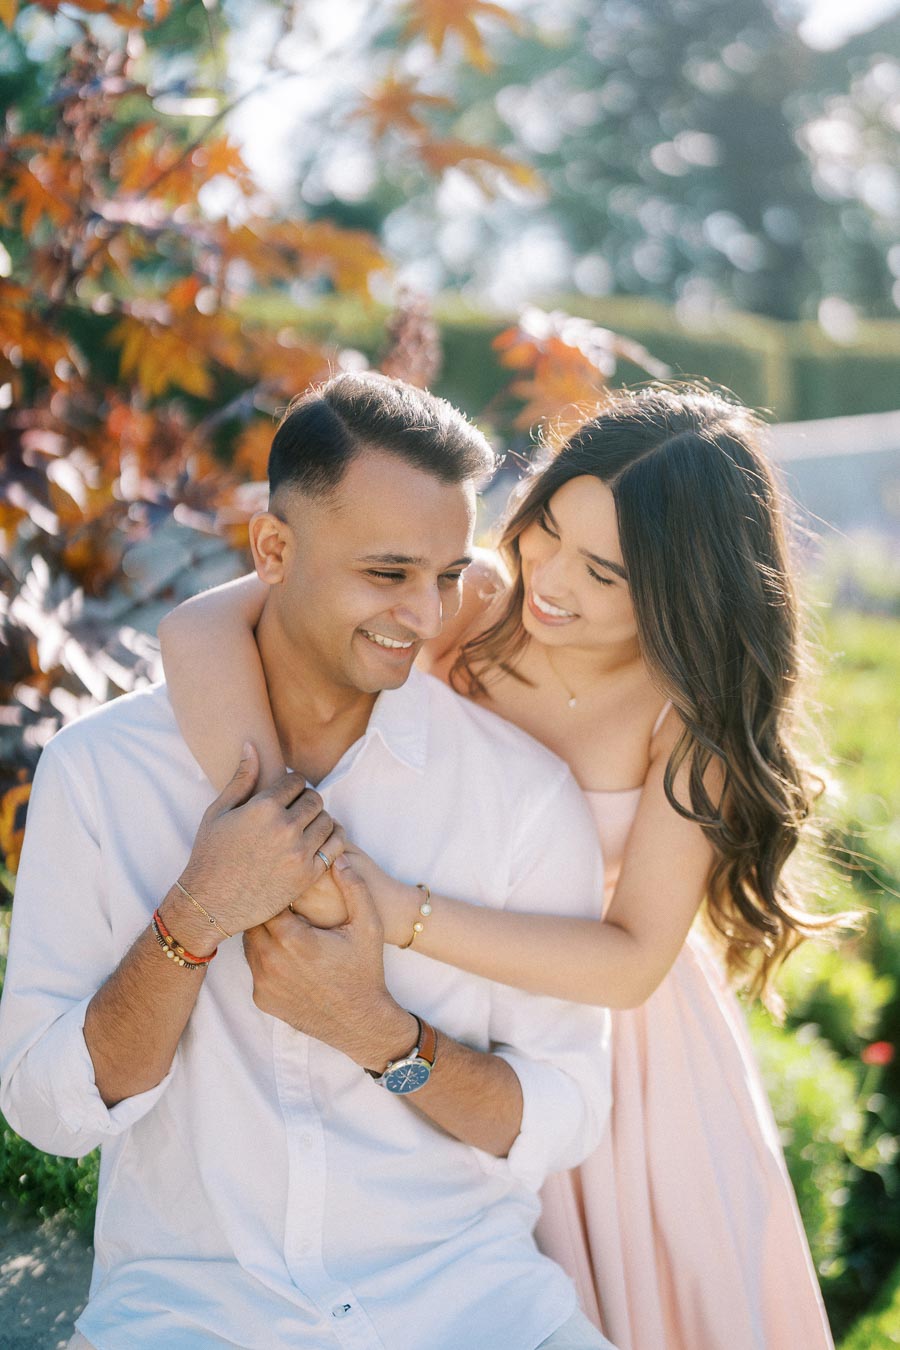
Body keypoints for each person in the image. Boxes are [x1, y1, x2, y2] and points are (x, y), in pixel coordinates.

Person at [159, 382, 844, 1350]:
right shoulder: (472, 598)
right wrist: (290, 843)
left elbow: (635, 957)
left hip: (620, 1055)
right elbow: (197, 632)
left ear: (683, 584)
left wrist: (400, 912)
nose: (552, 577)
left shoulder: (688, 718)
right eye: (548, 527)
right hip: (438, 998)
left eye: (603, 572)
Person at [0, 372, 618, 1350]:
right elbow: (46, 1109)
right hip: (189, 1323)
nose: (425, 616)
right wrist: (192, 919)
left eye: (447, 575)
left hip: (474, 1313)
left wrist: (383, 1037)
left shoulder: (520, 796)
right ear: (274, 550)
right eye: (387, 574)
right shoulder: (103, 773)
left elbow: (564, 1113)